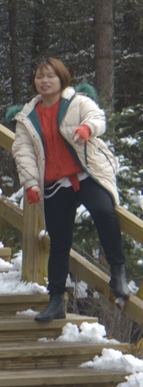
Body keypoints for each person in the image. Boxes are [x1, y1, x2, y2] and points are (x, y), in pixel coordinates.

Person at [9, 57, 134, 321]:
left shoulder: (77, 102)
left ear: (61, 78)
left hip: (86, 174)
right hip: (55, 183)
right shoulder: (27, 117)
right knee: (59, 241)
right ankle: (56, 300)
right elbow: (23, 151)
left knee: (104, 212)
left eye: (50, 76)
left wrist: (87, 128)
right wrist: (31, 184)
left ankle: (118, 273)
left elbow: (97, 116)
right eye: (40, 76)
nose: (44, 81)